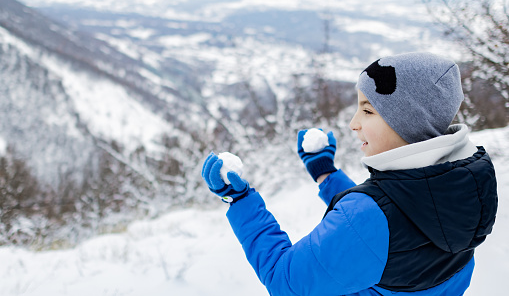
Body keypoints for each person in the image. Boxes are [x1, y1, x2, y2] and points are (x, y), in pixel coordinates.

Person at [201, 52, 498, 295]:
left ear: (409, 122)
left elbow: (285, 281)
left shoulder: (369, 218)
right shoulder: (468, 184)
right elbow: (397, 214)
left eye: (367, 111)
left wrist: (239, 200)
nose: (354, 124)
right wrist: (325, 173)